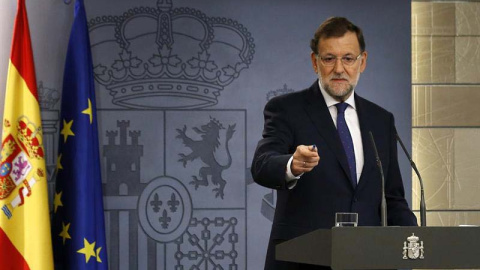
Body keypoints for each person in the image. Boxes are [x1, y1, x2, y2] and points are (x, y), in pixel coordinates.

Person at [251, 17, 418, 270]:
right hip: (303, 260)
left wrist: (419, 240)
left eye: (348, 58)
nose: (339, 68)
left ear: (363, 61)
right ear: (314, 62)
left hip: (368, 261)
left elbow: (392, 197)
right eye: (329, 58)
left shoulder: (381, 120)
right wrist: (292, 165)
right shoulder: (286, 109)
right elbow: (262, 166)